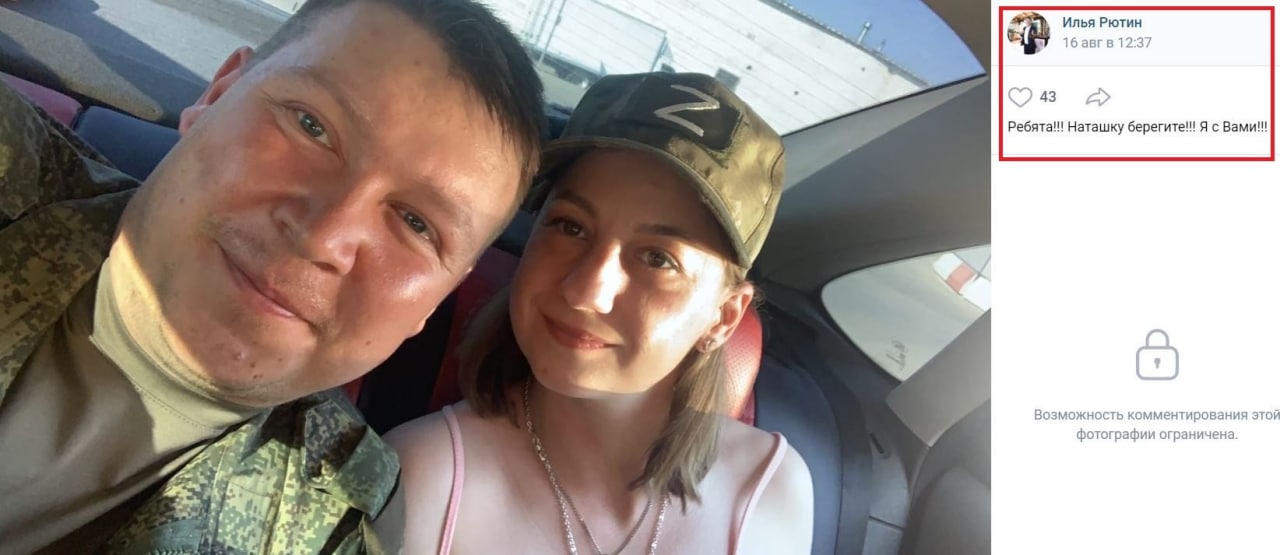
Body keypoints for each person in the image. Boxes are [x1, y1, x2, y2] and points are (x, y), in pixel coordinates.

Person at [0, 0, 546, 552]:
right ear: (216, 96)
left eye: (416, 224)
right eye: (312, 127)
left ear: (436, 299)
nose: (322, 237)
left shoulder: (343, 523)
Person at [388, 72, 815, 554]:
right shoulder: (422, 481)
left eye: (658, 258)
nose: (585, 292)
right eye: (570, 227)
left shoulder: (774, 490)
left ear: (722, 318)